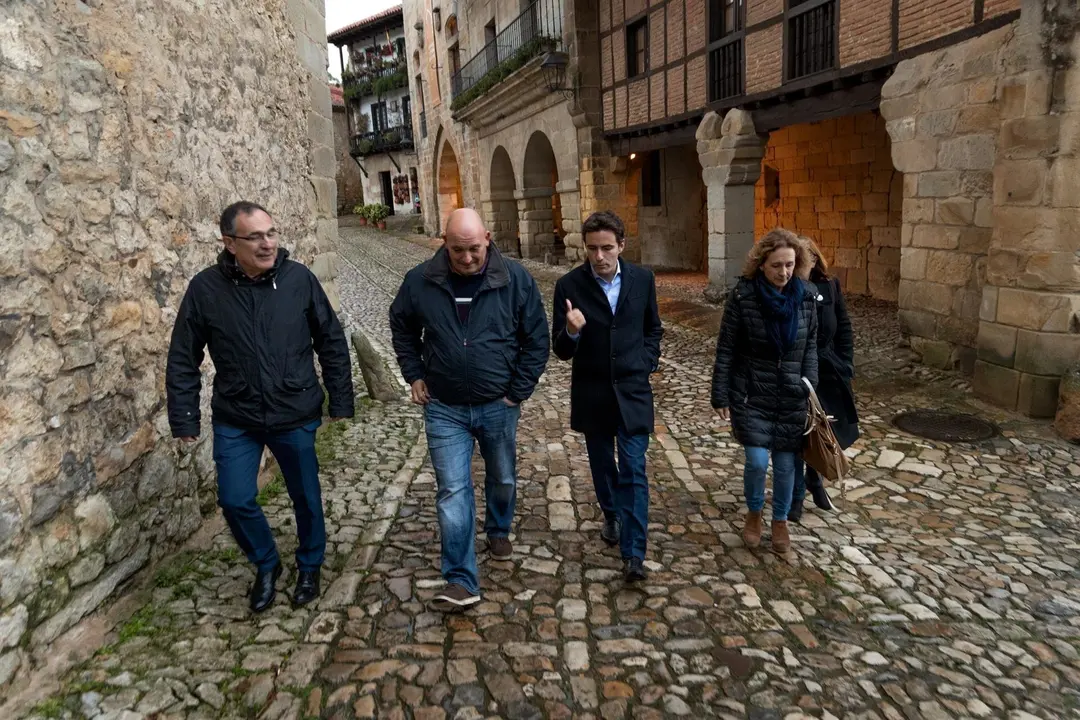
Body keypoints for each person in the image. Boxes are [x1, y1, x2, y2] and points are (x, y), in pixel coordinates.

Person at [166, 201, 354, 613]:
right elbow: (183, 355)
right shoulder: (205, 289)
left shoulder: (298, 279)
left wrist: (340, 399)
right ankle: (267, 563)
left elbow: (331, 340)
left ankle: (310, 566)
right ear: (230, 243)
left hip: (294, 410)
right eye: (255, 237)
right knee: (234, 499)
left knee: (305, 497)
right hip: (238, 415)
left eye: (271, 233)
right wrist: (184, 416)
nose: (268, 243)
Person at [389, 208, 549, 611]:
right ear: (444, 242)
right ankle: (460, 579)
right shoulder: (420, 281)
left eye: (474, 248)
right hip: (444, 407)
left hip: (498, 404)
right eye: (458, 249)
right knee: (452, 490)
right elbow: (402, 326)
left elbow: (536, 338)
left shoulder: (515, 279)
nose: (466, 258)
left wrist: (518, 390)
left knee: (502, 477)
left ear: (488, 239)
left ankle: (498, 526)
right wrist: (414, 374)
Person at [551, 211, 663, 583]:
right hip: (593, 392)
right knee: (603, 465)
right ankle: (611, 513)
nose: (599, 256)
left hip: (633, 392)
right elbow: (560, 350)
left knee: (633, 468)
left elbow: (652, 328)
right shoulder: (569, 286)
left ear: (621, 246)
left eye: (606, 248)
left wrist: (647, 360)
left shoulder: (643, 280)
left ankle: (634, 554)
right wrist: (571, 331)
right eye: (592, 249)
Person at [710, 228, 818, 555]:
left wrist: (809, 384)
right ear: (761, 264)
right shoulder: (743, 297)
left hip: (791, 397)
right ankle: (755, 512)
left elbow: (811, 346)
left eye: (789, 265)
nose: (783, 272)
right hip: (752, 394)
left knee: (786, 467)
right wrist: (721, 394)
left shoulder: (807, 297)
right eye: (776, 265)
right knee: (757, 461)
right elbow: (726, 348)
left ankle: (780, 520)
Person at [789, 237, 859, 521]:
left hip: (828, 369)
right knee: (797, 430)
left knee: (823, 427)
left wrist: (846, 362)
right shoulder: (788, 288)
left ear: (816, 259)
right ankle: (796, 493)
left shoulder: (830, 286)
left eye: (809, 258)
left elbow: (843, 326)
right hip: (797, 368)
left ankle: (814, 479)